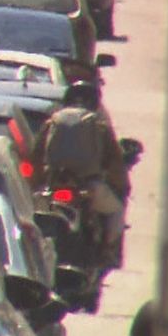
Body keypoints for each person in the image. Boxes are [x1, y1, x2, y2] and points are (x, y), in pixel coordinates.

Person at [34, 85, 131, 267]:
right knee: (116, 210)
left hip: (55, 185)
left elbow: (36, 155)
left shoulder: (52, 121)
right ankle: (108, 250)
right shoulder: (98, 125)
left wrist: (36, 182)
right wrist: (122, 186)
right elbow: (115, 161)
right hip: (88, 187)